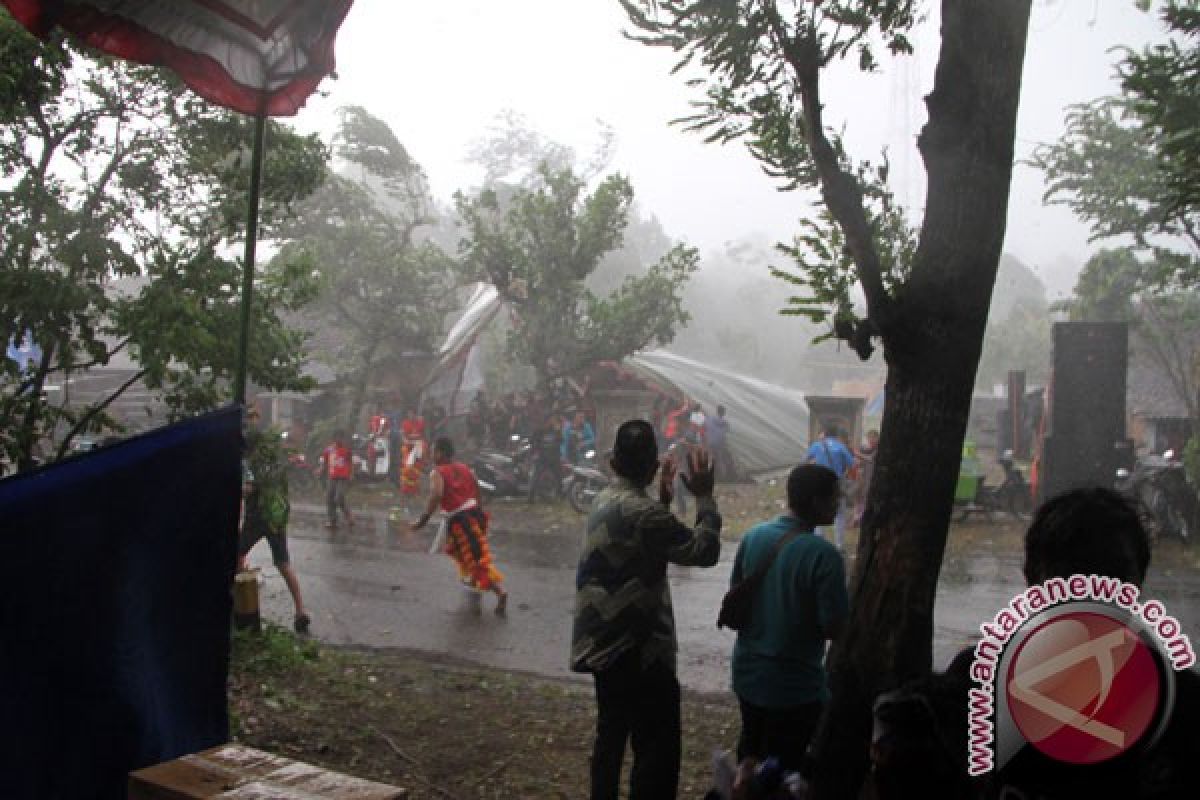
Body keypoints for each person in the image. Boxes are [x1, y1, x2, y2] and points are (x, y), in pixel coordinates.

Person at [869, 487, 1200, 800]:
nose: (1093, 591)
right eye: (1073, 572)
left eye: (1111, 572)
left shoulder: (1183, 706)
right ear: (1032, 578)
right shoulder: (957, 699)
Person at [571, 419, 722, 800]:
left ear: (613, 464)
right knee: (656, 747)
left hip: (604, 645)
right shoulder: (644, 513)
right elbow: (704, 551)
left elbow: (640, 546)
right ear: (653, 466)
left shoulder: (605, 500)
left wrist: (664, 502)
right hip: (638, 650)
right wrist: (704, 498)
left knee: (611, 737)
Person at [730, 464, 848, 774]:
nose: (840, 502)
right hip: (795, 687)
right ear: (816, 502)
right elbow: (833, 626)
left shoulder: (753, 536)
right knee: (784, 771)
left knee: (750, 756)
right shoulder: (824, 556)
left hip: (748, 676)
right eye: (835, 497)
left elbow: (736, 598)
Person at [410, 437, 508, 614]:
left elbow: (437, 494)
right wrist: (478, 511)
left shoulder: (438, 472)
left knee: (476, 561)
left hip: (462, 521)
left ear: (440, 453)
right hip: (473, 515)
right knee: (458, 551)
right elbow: (477, 489)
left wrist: (424, 519)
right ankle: (472, 579)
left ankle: (500, 593)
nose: (431, 454)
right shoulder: (464, 468)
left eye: (433, 451)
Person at [239, 407, 310, 634]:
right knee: (283, 563)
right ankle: (300, 610)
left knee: (236, 554)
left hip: (257, 517)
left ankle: (239, 605)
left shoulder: (252, 463)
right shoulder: (275, 460)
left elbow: (248, 489)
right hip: (276, 518)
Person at [805, 427, 855, 552]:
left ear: (824, 434)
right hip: (835, 483)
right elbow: (852, 464)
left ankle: (818, 541)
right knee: (839, 514)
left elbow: (806, 460)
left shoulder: (816, 445)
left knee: (818, 510)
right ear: (837, 435)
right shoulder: (840, 446)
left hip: (818, 482)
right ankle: (839, 545)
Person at [317, 428, 355, 530]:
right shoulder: (329, 450)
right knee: (329, 498)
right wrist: (321, 469)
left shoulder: (346, 450)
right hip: (332, 477)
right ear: (333, 439)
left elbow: (350, 463)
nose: (339, 440)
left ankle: (348, 515)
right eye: (337, 438)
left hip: (343, 478)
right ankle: (332, 520)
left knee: (339, 497)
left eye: (341, 438)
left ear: (343, 439)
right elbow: (324, 461)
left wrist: (351, 474)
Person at [851, 429, 879, 526]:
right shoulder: (863, 447)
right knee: (857, 496)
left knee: (866, 495)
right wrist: (857, 460)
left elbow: (870, 458)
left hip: (870, 475)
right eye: (869, 437)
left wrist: (857, 454)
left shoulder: (878, 448)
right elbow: (857, 460)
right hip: (860, 474)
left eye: (873, 438)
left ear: (877, 438)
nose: (871, 440)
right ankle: (856, 517)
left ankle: (860, 517)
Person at [399, 409, 427, 496]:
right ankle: (405, 489)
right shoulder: (405, 423)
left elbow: (422, 435)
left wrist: (416, 440)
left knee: (416, 468)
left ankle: (415, 490)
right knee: (407, 467)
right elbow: (403, 437)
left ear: (415, 415)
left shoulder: (420, 422)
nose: (410, 416)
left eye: (412, 414)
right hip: (408, 446)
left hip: (418, 446)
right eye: (409, 414)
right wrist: (407, 441)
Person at [706, 404, 736, 482]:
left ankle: (711, 475)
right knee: (720, 459)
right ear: (723, 413)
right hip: (719, 443)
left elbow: (706, 426)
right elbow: (728, 429)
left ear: (717, 411)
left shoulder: (710, 418)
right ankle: (723, 477)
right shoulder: (724, 422)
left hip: (710, 441)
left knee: (712, 458)